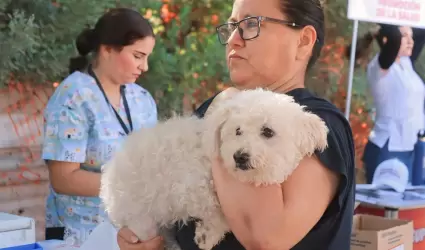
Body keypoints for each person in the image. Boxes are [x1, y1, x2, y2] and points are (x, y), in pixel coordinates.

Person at [117, 0, 355, 249]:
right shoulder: (216, 108)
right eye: (231, 26)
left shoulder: (318, 124)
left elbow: (266, 237)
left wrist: (225, 110)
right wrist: (146, 238)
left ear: (304, 40)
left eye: (251, 24)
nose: (233, 39)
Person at [42, 8, 157, 246]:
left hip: (131, 234)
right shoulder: (73, 96)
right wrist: (130, 183)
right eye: (138, 56)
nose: (144, 67)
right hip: (79, 236)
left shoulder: (142, 99)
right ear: (107, 50)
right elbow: (63, 179)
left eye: (147, 57)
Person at [350, 24, 425, 184]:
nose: (410, 41)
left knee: (410, 205)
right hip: (390, 147)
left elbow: (421, 31)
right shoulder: (379, 67)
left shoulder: (406, 63)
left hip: (413, 147)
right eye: (404, 36)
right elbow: (393, 40)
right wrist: (382, 24)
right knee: (385, 206)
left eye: (410, 36)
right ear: (387, 40)